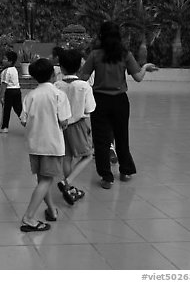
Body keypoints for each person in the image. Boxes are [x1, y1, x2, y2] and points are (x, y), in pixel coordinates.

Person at [79, 22, 158, 189]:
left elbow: (83, 78)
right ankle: (125, 170)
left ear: (101, 36)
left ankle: (107, 177)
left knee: (101, 140)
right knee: (122, 136)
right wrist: (144, 67)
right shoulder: (125, 55)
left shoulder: (95, 55)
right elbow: (138, 77)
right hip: (120, 101)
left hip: (99, 101)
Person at [19, 58, 71, 232]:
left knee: (42, 179)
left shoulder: (30, 96)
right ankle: (29, 217)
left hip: (34, 145)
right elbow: (64, 121)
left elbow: (23, 120)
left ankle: (51, 210)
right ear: (53, 74)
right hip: (52, 144)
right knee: (47, 180)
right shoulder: (58, 95)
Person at [54, 49, 96, 205]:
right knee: (88, 155)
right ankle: (67, 182)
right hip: (77, 125)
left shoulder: (57, 85)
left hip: (61, 125)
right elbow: (89, 109)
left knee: (67, 157)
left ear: (61, 67)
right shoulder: (84, 86)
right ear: (80, 67)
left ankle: (70, 188)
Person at [0, 50, 22, 133]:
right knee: (18, 109)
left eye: (5, 59)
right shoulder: (15, 70)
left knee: (6, 110)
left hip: (9, 93)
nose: (3, 60)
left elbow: (4, 84)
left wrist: (1, 96)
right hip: (17, 91)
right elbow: (12, 82)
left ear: (10, 61)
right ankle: (27, 122)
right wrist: (0, 91)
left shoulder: (5, 71)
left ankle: (4, 127)